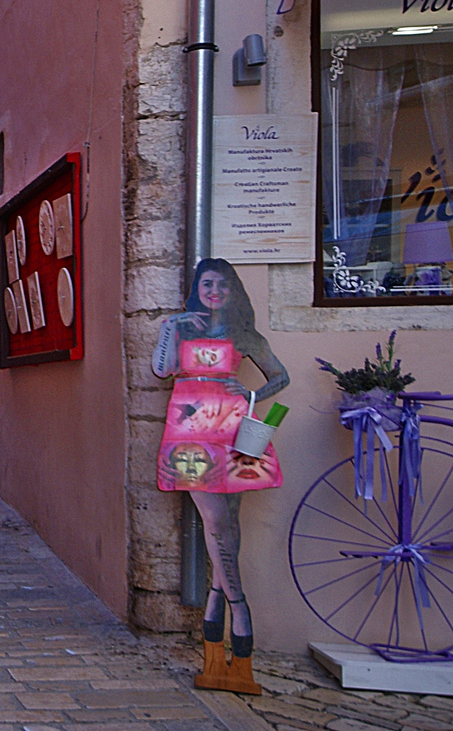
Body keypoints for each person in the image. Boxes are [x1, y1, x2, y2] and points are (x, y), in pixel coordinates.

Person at [151, 258, 288, 684]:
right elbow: (160, 369)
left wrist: (250, 391)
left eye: (222, 285)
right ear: (197, 287)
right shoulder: (184, 326)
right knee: (215, 521)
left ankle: (216, 607)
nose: (214, 291)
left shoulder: (243, 333)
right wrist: (171, 325)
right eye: (206, 283)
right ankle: (240, 608)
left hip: (232, 431)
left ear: (233, 291)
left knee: (229, 520)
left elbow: (280, 377)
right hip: (190, 432)